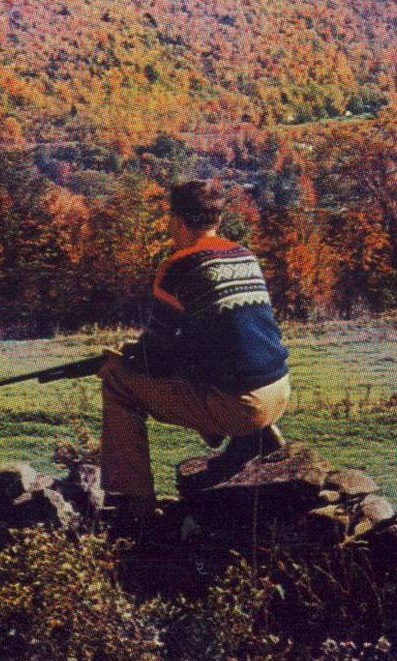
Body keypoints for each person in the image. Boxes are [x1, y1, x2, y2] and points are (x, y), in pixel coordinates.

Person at [99, 178, 291, 519]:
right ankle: (253, 438)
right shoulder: (244, 255)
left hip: (241, 404)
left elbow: (155, 357)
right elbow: (230, 337)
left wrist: (124, 357)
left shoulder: (179, 266)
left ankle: (135, 505)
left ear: (176, 220)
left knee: (116, 380)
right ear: (217, 218)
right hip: (279, 392)